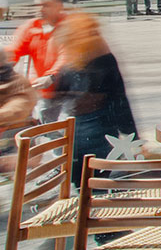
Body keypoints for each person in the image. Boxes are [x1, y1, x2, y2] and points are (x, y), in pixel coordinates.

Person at [51, 13, 137, 167]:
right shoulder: (102, 57)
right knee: (99, 176)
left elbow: (59, 93)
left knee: (81, 177)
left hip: (76, 128)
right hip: (98, 128)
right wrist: (132, 135)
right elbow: (118, 99)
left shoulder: (72, 60)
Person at [9, 0, 64, 120]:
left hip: (70, 91)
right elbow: (14, 51)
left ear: (58, 7)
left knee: (67, 129)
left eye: (46, 5)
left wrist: (52, 75)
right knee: (47, 128)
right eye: (37, 6)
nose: (40, 9)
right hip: (45, 90)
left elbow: (66, 55)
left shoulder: (69, 26)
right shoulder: (31, 27)